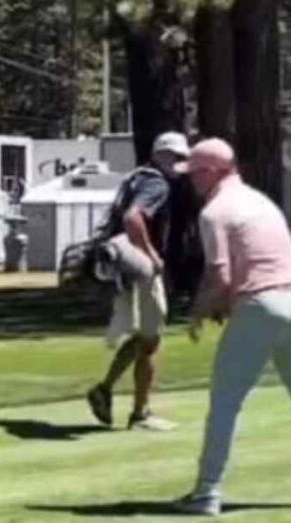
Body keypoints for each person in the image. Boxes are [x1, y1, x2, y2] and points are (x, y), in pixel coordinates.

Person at [171, 138, 291, 517]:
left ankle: (207, 491)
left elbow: (220, 275)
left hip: (261, 305)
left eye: (193, 172)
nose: (190, 180)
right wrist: (225, 304)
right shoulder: (261, 202)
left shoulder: (215, 212)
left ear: (211, 172)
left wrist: (198, 312)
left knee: (225, 401)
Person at [85, 131, 190, 432]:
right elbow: (134, 218)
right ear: (161, 155)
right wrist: (153, 256)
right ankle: (140, 413)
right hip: (141, 266)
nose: (181, 163)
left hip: (124, 265)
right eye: (177, 157)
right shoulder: (156, 183)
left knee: (143, 337)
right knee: (152, 339)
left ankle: (104, 390)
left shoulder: (136, 177)